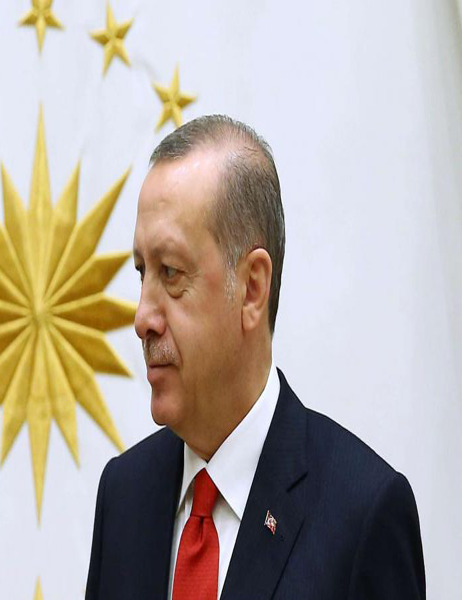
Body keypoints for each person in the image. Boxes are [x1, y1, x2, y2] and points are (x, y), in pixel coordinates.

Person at [85, 115, 425, 599]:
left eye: (171, 272)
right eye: (143, 272)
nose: (142, 318)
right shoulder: (124, 496)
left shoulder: (363, 514)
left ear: (251, 288)